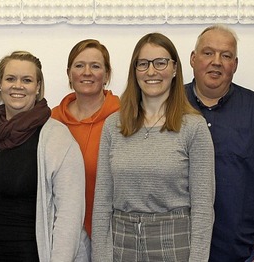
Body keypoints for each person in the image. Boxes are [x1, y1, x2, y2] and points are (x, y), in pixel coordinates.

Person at [92, 33, 215, 262]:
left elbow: (203, 209)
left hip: (174, 243)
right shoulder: (113, 125)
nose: (151, 72)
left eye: (160, 63)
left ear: (175, 68)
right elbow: (102, 202)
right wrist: (100, 256)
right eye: (143, 64)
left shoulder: (194, 127)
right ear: (134, 70)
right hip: (122, 243)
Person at [0, 51, 89, 261]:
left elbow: (69, 216)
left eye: (26, 80)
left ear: (37, 87)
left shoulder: (56, 138)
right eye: (10, 79)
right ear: (0, 85)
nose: (17, 85)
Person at [184, 25, 254, 262]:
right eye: (208, 53)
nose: (217, 61)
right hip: (180, 248)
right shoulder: (169, 107)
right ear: (193, 59)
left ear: (234, 65)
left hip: (246, 252)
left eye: (226, 56)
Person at [51, 39, 120, 237]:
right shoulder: (52, 121)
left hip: (112, 234)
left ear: (106, 75)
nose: (87, 72)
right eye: (79, 65)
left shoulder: (125, 120)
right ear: (69, 74)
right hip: (63, 236)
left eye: (95, 66)